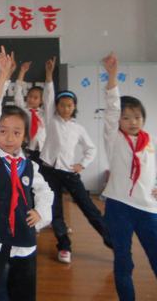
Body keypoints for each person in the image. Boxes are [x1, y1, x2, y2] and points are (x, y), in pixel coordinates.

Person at [0, 47, 53, 301]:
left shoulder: (29, 166)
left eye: (16, 132)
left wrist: (42, 213)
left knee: (23, 294)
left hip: (24, 241)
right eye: (2, 131)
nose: (9, 137)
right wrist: (2, 77)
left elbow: (45, 191)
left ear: (25, 137)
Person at [39, 58, 112, 263]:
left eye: (69, 105)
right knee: (55, 210)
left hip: (69, 173)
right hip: (49, 171)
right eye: (62, 105)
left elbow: (91, 148)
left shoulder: (78, 128)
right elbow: (48, 96)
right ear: (56, 107)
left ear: (74, 107)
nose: (65, 108)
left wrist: (82, 164)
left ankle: (112, 241)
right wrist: (49, 74)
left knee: (88, 207)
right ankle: (64, 246)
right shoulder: (51, 120)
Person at [101, 52, 157, 300]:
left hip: (148, 208)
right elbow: (113, 107)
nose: (132, 121)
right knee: (123, 261)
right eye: (126, 117)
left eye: (137, 116)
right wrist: (112, 75)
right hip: (119, 207)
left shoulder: (149, 141)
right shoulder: (114, 139)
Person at [13, 60, 55, 163]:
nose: (31, 99)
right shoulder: (23, 111)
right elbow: (17, 94)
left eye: (35, 97)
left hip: (42, 151)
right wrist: (22, 72)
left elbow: (49, 96)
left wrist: (49, 74)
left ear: (41, 100)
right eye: (30, 96)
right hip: (26, 149)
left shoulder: (44, 113)